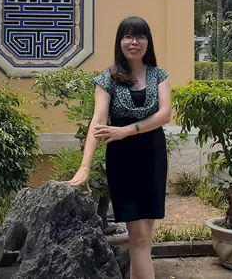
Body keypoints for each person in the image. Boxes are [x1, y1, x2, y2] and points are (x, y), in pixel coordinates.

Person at [67, 16, 172, 279]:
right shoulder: (107, 79)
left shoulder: (159, 75)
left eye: (140, 36)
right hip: (123, 160)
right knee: (137, 237)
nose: (134, 42)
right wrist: (84, 167)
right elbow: (98, 122)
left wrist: (126, 130)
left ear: (148, 42)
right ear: (120, 41)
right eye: (128, 36)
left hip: (153, 156)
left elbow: (165, 115)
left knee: (145, 236)